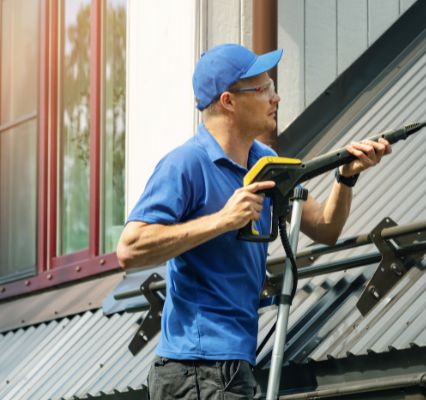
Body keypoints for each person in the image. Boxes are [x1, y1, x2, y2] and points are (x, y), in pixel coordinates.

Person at [116, 43, 391, 400]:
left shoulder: (266, 161)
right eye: (264, 89)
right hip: (195, 370)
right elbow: (130, 248)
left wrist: (346, 177)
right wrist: (222, 220)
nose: (275, 98)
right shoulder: (185, 165)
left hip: (233, 365)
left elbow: (325, 227)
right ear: (229, 101)